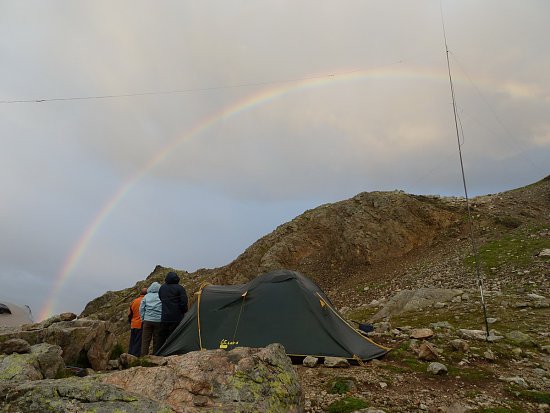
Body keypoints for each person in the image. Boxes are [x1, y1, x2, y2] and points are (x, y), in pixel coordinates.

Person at [157, 271, 188, 349]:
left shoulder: (162, 288)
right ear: (177, 279)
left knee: (162, 338)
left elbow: (161, 298)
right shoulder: (180, 288)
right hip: (177, 317)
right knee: (175, 337)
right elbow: (183, 302)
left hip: (164, 317)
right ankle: (173, 353)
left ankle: (158, 354)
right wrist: (183, 311)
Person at [139, 281, 162, 355]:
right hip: (158, 320)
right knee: (157, 339)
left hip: (147, 320)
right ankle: (156, 355)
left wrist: (143, 319)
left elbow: (141, 309)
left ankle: (143, 356)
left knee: (145, 340)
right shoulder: (161, 296)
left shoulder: (146, 296)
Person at [127, 287, 147, 356]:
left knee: (132, 342)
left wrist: (131, 322)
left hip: (133, 324)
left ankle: (129, 356)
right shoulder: (146, 300)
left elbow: (130, 314)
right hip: (140, 324)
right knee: (138, 343)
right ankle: (134, 358)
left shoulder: (134, 301)